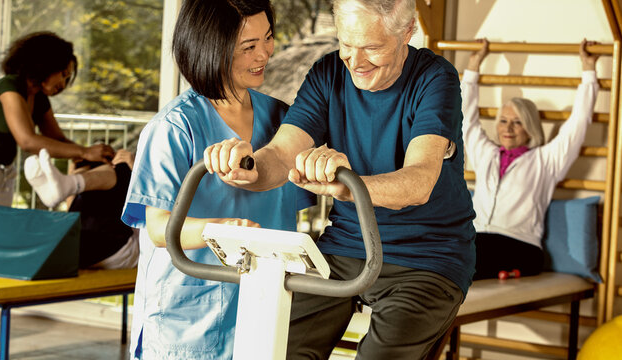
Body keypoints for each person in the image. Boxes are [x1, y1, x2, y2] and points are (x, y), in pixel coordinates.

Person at [204, 0, 476, 358]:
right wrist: (247, 167)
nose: (356, 62)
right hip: (345, 248)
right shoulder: (329, 72)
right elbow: (281, 154)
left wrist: (349, 187)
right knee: (276, 349)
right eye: (347, 45)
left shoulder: (435, 79)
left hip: (426, 256)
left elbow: (419, 181)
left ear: (407, 33)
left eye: (372, 48)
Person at [120, 0, 314, 359]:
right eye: (248, 47)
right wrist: (223, 231)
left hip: (261, 305)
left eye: (268, 39)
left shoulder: (284, 121)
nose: (265, 54)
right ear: (214, 49)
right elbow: (160, 228)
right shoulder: (174, 127)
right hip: (188, 316)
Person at [0, 32, 114, 360]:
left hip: (3, 174)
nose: (65, 82)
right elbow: (27, 140)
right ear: (46, 65)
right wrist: (83, 150)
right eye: (64, 73)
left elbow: (55, 138)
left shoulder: (38, 98)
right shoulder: (8, 88)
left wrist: (87, 158)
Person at [462, 39, 600, 280]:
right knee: (442, 246)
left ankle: (506, 270)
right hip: (479, 239)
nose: (508, 128)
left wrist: (588, 71)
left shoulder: (546, 161)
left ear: (530, 128)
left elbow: (578, 123)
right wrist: (474, 65)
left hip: (520, 244)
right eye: (503, 121)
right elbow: (466, 118)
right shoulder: (486, 153)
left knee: (461, 255)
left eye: (518, 122)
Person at [24, 148, 139, 270]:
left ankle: (70, 182)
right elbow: (71, 213)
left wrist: (135, 168)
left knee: (121, 167)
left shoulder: (126, 178)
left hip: (121, 247)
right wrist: (79, 162)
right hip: (87, 242)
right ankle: (70, 183)